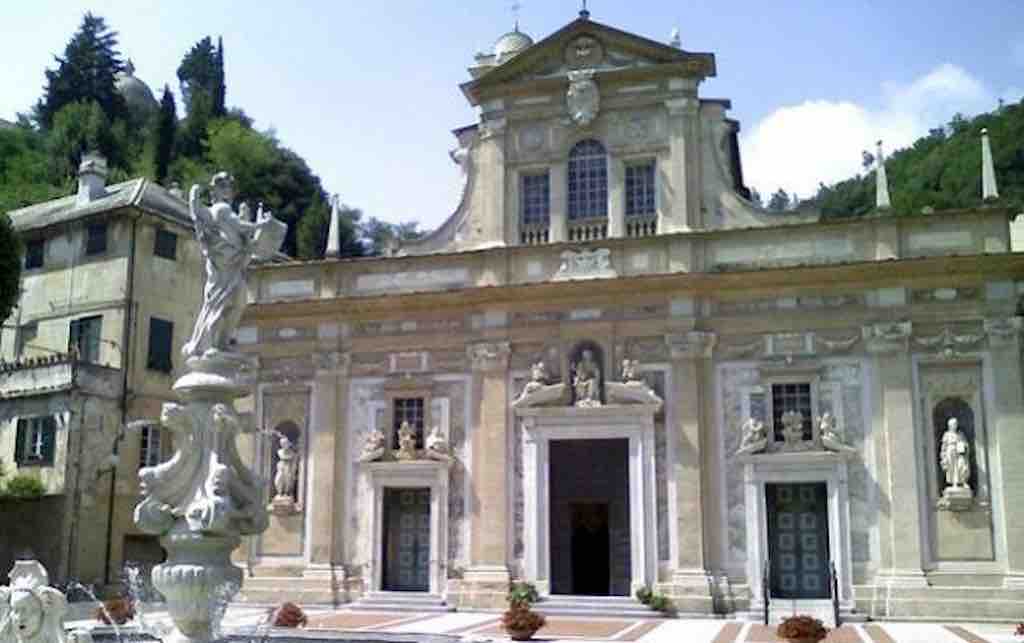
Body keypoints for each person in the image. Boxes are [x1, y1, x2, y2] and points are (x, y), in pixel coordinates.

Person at [183, 172, 285, 358]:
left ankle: (222, 341)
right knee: (224, 303)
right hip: (224, 265)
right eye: (224, 186)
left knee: (237, 301)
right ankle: (213, 343)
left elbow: (240, 235)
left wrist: (252, 229)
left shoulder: (223, 210)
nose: (228, 191)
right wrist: (260, 225)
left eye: (230, 187)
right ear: (215, 190)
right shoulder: (221, 209)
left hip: (231, 263)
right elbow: (239, 226)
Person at [940, 417, 971, 489]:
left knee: (962, 465)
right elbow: (944, 446)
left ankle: (963, 482)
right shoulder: (947, 434)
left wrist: (964, 446)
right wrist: (943, 456)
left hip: (959, 452)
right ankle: (954, 483)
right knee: (952, 467)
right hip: (950, 452)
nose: (955, 425)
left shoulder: (960, 434)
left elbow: (965, 443)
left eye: (956, 424)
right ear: (950, 425)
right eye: (953, 424)